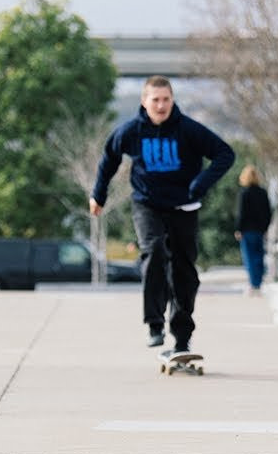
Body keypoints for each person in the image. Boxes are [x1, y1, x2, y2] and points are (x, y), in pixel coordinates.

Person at [90, 75, 235, 355]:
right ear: (144, 102)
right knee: (155, 251)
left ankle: (182, 337)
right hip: (148, 204)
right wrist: (99, 195)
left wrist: (200, 184)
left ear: (172, 101)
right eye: (155, 100)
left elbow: (224, 154)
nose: (161, 105)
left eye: (166, 99)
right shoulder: (131, 131)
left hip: (184, 206)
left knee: (184, 271)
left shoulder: (188, 130)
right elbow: (109, 158)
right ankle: (155, 324)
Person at [233, 165, 273, 295]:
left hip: (247, 231)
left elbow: (241, 213)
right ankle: (258, 284)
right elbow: (268, 212)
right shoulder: (263, 193)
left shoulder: (244, 193)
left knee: (249, 257)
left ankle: (253, 284)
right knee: (259, 257)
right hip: (259, 231)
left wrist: (238, 229)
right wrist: (265, 228)